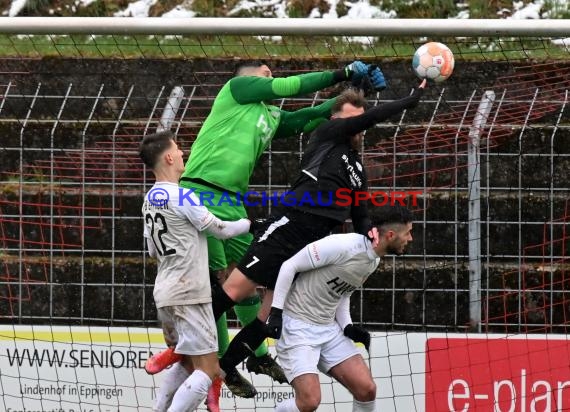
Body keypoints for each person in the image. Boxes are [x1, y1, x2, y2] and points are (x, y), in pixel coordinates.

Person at [144, 79, 426, 394]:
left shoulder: (358, 169)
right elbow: (365, 119)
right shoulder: (327, 136)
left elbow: (360, 213)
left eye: (356, 123)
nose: (354, 128)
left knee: (265, 319)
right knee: (233, 292)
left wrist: (368, 233)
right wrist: (407, 101)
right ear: (336, 121)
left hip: (309, 246)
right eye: (348, 120)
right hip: (284, 231)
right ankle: (180, 347)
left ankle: (220, 374)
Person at [139, 131, 251, 412]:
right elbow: (219, 229)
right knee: (209, 367)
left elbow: (152, 250)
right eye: (177, 149)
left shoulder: (149, 199)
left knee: (188, 362)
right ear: (168, 157)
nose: (181, 153)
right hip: (190, 292)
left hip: (164, 292)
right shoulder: (182, 195)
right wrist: (251, 224)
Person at [270, 205, 414, 412]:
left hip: (328, 329)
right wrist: (276, 312)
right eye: (408, 233)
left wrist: (347, 326)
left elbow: (343, 292)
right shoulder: (342, 246)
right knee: (309, 402)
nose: (410, 239)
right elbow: (289, 266)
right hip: (297, 327)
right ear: (391, 235)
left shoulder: (373, 260)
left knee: (367, 389)